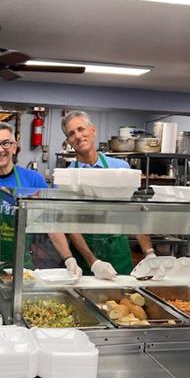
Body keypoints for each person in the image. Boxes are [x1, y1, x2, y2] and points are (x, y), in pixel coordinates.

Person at [0, 121, 81, 282]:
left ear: (14, 147)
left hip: (21, 268)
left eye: (5, 143)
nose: (0, 149)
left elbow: (50, 224)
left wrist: (68, 258)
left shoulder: (33, 180)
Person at [61, 111, 156, 279]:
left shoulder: (121, 168)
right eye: (71, 133)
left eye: (81, 129)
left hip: (118, 250)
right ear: (68, 141)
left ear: (93, 130)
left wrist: (149, 253)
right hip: (85, 255)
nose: (78, 136)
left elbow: (133, 213)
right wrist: (93, 261)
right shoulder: (67, 177)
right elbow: (70, 225)